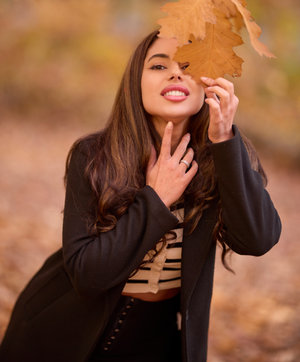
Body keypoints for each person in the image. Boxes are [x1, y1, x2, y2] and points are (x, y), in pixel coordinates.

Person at [0, 30, 281, 362]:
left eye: (189, 65)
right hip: (61, 334)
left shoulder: (223, 156)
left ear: (208, 83)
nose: (176, 72)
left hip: (157, 341)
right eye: (159, 66)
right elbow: (88, 276)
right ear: (136, 83)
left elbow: (258, 239)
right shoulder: (93, 155)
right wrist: (156, 198)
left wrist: (224, 141)